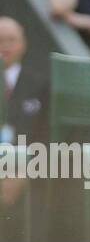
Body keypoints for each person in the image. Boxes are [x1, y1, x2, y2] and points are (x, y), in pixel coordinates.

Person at [0, 16, 49, 211]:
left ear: (23, 44)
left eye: (11, 40)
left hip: (31, 167)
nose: (5, 46)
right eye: (0, 40)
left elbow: (46, 133)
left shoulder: (41, 84)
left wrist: (24, 171)